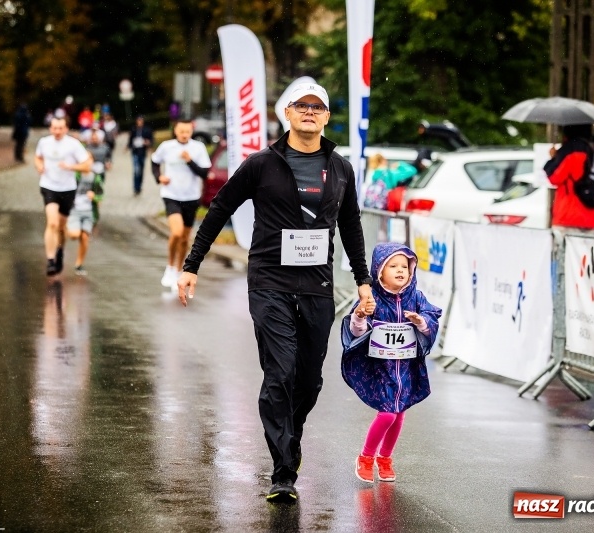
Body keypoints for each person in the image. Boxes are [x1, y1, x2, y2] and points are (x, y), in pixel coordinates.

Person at [176, 83, 374, 503]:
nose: (308, 112)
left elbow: (352, 224)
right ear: (287, 112)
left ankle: (291, 436)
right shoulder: (262, 164)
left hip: (317, 285)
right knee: (279, 372)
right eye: (301, 105)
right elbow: (221, 207)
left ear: (325, 117)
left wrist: (362, 279)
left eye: (316, 107)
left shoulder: (340, 168)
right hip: (270, 282)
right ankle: (283, 470)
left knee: (309, 380)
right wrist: (192, 265)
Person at [340, 242, 441, 484]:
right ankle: (366, 457)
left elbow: (431, 318)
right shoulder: (372, 298)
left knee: (399, 414)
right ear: (379, 270)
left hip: (406, 367)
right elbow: (357, 330)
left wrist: (420, 321)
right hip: (380, 367)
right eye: (392, 265)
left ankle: (385, 458)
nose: (400, 270)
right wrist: (360, 315)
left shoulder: (415, 297)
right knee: (387, 414)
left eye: (404, 266)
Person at [151, 120, 211, 288]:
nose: (184, 134)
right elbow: (155, 162)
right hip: (171, 194)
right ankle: (170, 267)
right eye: (181, 131)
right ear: (175, 131)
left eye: (188, 131)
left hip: (191, 197)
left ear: (191, 131)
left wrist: (189, 161)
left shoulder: (197, 148)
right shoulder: (166, 146)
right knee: (176, 233)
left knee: (185, 238)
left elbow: (204, 172)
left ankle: (179, 270)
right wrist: (159, 177)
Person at [34, 117, 93, 276]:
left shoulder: (73, 145)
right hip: (48, 186)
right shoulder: (44, 142)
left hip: (67, 189)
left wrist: (70, 166)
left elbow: (87, 164)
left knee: (61, 227)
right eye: (54, 128)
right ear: (50, 128)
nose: (57, 131)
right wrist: (39, 166)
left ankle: (60, 250)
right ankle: (51, 260)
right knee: (52, 223)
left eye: (60, 128)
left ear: (66, 129)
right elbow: (37, 157)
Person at [544, 124, 594, 240]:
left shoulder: (570, 150)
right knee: (586, 256)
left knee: (566, 256)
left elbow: (554, 177)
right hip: (593, 216)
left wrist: (553, 159)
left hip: (569, 216)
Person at [66, 164, 104, 275]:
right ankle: (68, 227)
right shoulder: (74, 176)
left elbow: (101, 196)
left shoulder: (96, 178)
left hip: (89, 212)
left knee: (85, 237)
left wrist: (95, 197)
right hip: (75, 210)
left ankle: (79, 264)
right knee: (74, 235)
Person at [83, 128, 112, 223]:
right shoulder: (87, 147)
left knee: (99, 188)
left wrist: (108, 163)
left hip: (101, 172)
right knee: (91, 189)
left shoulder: (105, 147)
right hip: (91, 172)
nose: (94, 139)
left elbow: (109, 156)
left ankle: (97, 204)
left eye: (96, 138)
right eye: (93, 138)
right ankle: (91, 207)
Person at [127, 115, 154, 195]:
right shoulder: (134, 129)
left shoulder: (147, 130)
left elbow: (151, 140)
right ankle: (136, 187)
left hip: (142, 152)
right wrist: (129, 146)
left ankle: (139, 186)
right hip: (135, 152)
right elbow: (130, 140)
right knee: (136, 170)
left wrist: (147, 143)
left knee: (141, 170)